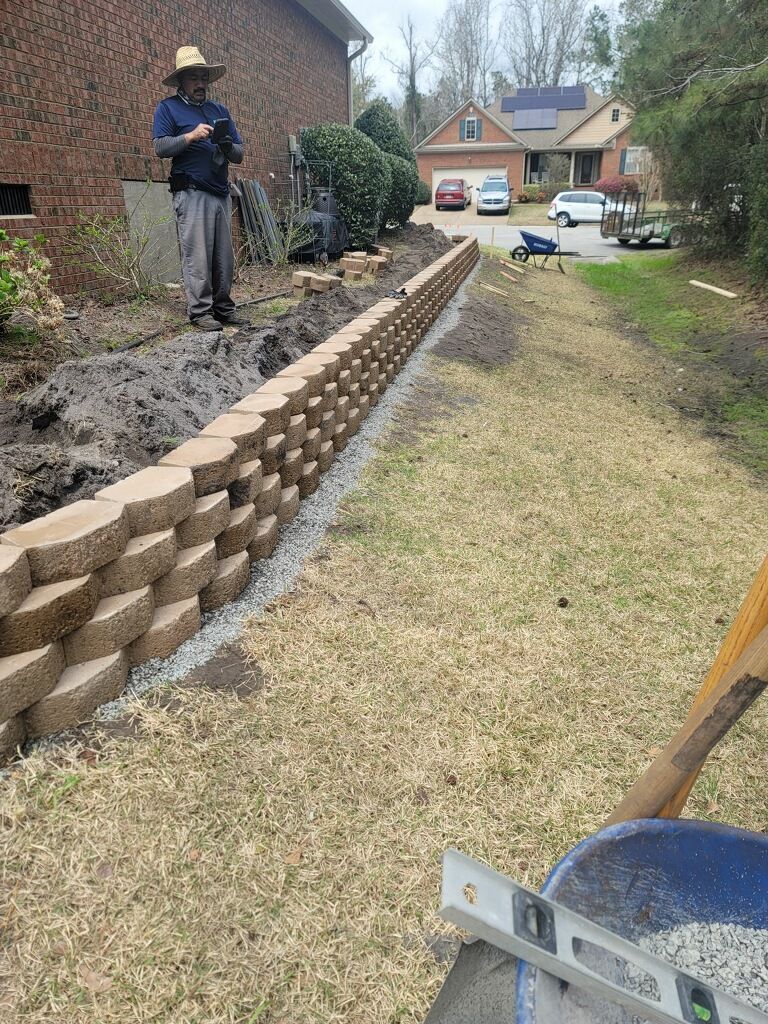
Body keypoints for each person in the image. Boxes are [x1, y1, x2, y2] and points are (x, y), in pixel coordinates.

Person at [153, 47, 249, 331]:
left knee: (223, 258)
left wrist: (226, 145)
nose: (200, 83)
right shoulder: (168, 108)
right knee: (198, 256)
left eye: (203, 77)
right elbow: (160, 146)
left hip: (220, 191)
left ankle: (223, 308)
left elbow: (239, 154)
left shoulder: (219, 110)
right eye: (193, 77)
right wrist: (191, 136)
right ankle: (200, 312)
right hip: (191, 192)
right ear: (181, 81)